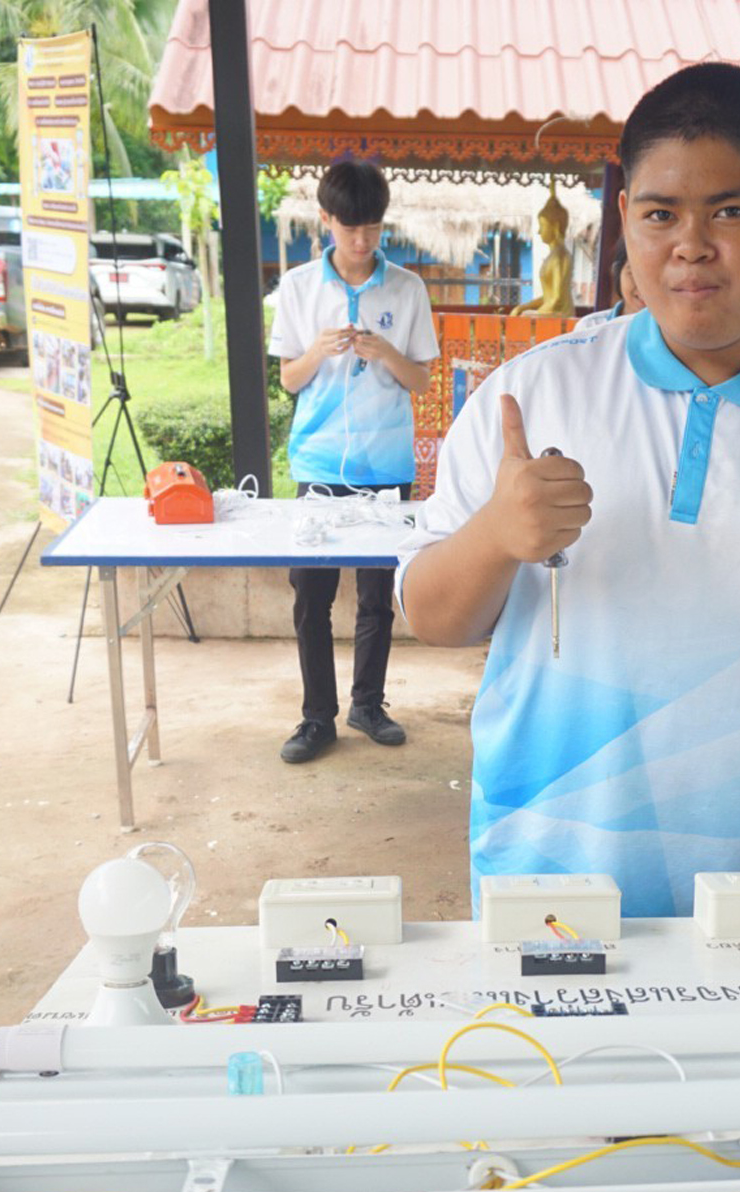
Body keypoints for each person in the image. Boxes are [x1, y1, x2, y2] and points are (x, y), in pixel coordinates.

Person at [397, 63, 740, 921]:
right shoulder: (531, 396)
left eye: (730, 210)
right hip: (541, 879)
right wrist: (496, 535)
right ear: (624, 221)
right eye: (659, 215)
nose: (690, 246)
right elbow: (432, 616)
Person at [269, 157, 440, 763]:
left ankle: (368, 703)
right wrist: (317, 350)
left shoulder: (407, 289)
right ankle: (318, 718)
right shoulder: (297, 288)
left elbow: (421, 382)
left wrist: (387, 351)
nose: (362, 241)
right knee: (310, 597)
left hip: (385, 465)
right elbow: (289, 382)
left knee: (376, 596)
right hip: (317, 465)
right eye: (349, 228)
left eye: (372, 228)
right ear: (325, 220)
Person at [573, 238, 646, 330]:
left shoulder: (669, 331)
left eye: (655, 276)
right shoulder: (590, 327)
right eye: (634, 274)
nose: (644, 288)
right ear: (617, 272)